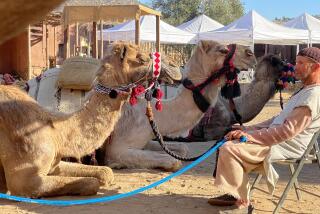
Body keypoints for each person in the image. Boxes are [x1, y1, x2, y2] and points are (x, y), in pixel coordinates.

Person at [208, 47, 320, 212]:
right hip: (276, 139)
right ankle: (234, 192)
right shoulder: (304, 91)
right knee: (229, 137)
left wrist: (250, 136)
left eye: (301, 63)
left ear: (316, 67)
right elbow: (277, 120)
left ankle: (242, 203)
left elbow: (287, 132)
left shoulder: (313, 95)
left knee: (229, 149)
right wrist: (247, 129)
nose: (295, 67)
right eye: (296, 62)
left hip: (286, 144)